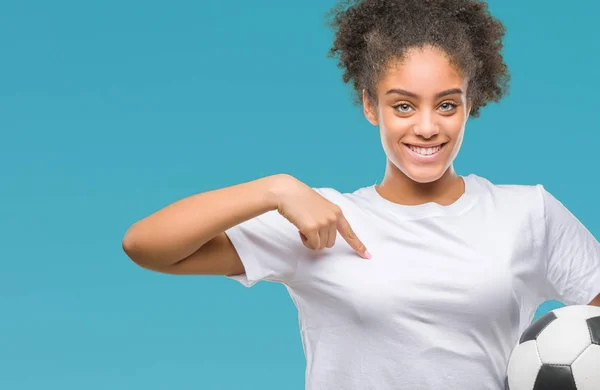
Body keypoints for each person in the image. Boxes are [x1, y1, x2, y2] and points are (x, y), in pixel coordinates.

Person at [121, 0, 600, 388]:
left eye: (447, 104)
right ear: (372, 106)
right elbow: (146, 246)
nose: (427, 127)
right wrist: (274, 189)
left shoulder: (526, 212)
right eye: (404, 105)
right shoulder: (321, 218)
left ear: (471, 103)